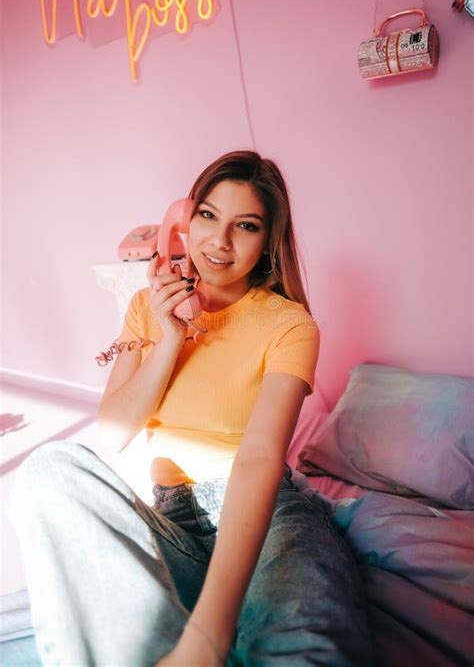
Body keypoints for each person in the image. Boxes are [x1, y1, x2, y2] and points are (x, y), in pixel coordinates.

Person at [8, 150, 373, 666]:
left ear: (268, 240)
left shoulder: (289, 325)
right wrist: (169, 339)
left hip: (267, 513)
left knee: (302, 640)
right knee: (50, 469)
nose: (218, 242)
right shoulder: (146, 309)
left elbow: (258, 460)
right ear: (183, 220)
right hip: (173, 518)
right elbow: (113, 434)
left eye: (244, 225)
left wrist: (207, 637)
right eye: (206, 215)